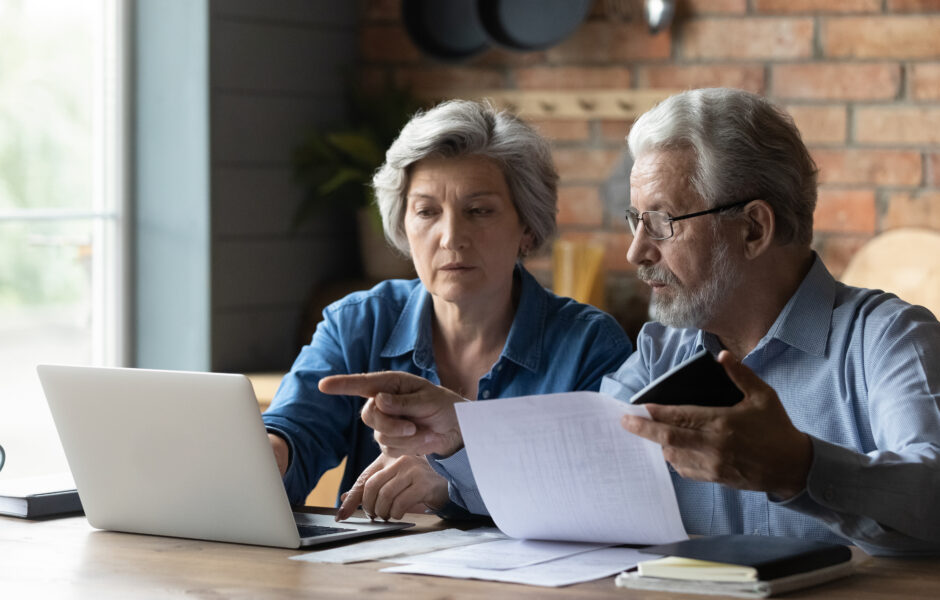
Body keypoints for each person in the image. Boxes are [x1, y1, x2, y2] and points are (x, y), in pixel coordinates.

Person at [356, 88, 940, 556]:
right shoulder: (666, 348)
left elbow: (932, 491)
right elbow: (573, 477)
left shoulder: (887, 339)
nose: (636, 253)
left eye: (661, 223)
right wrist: (461, 435)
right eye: (635, 221)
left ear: (754, 229)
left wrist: (799, 467)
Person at [262, 99, 632, 521]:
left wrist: (453, 483)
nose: (451, 237)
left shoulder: (590, 346)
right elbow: (296, 430)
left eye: (479, 211)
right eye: (427, 212)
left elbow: (603, 494)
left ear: (527, 227)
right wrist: (270, 457)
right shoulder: (358, 323)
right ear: (403, 225)